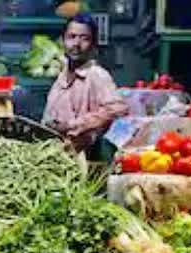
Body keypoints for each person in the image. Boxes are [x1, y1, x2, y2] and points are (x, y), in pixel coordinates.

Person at [43, 13, 129, 153]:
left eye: (84, 38)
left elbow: (118, 108)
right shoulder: (61, 77)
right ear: (62, 41)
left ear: (93, 44)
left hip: (86, 155)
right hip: (59, 153)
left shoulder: (96, 74)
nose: (76, 44)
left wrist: (73, 125)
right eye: (72, 37)